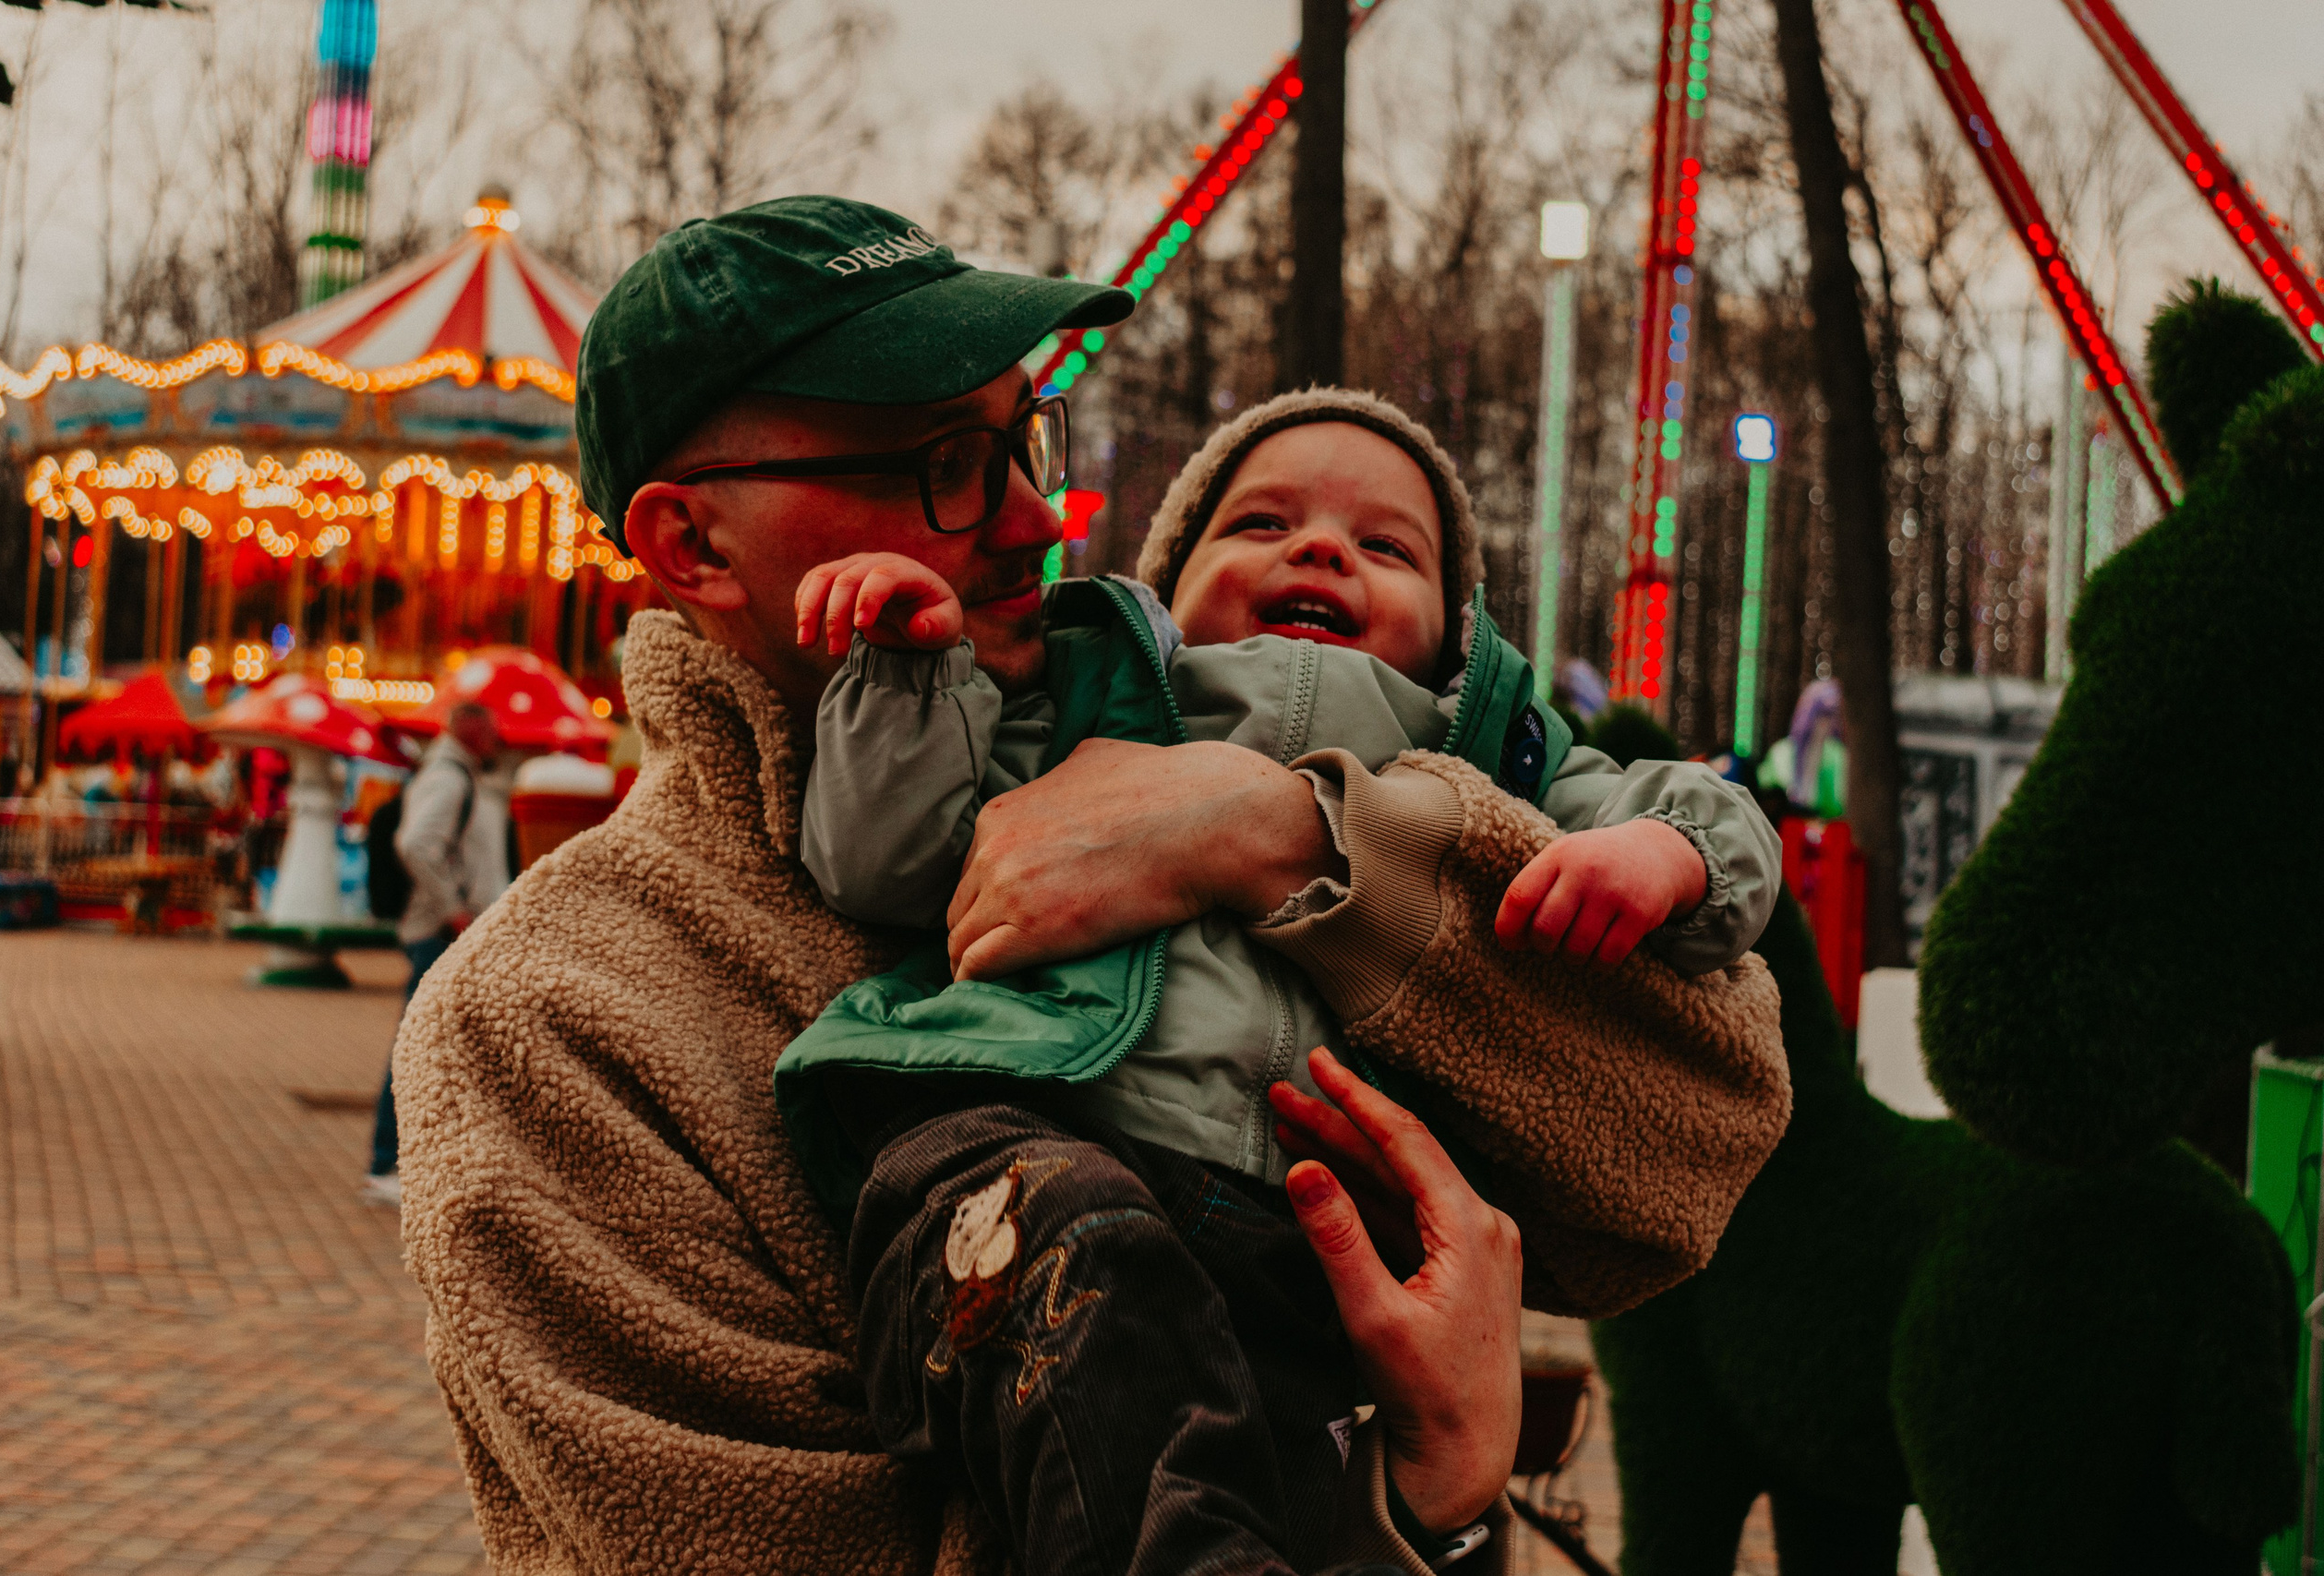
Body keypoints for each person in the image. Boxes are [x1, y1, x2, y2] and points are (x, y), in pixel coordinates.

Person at [392, 197, 1788, 1575]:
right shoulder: (552, 1021)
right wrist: (1412, 1501)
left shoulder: (1181, 751)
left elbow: (1699, 1138)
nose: (1028, 518)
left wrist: (1285, 837)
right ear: (692, 543)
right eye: (938, 460)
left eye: (1017, 442)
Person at [779, 387, 1782, 1575]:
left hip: (1292, 1243)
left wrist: (1663, 855)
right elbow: (878, 864)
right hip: (1027, 1148)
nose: (1319, 550)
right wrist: (909, 675)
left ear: (1455, 633)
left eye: (1384, 547)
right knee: (1084, 1299)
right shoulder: (1087, 691)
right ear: (1168, 584)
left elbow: (1708, 814)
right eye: (1260, 525)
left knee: (1264, 1471)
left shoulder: (1490, 749)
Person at [364, 701, 508, 1209]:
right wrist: (452, 908)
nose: (497, 739)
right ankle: (387, 1161)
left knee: (432, 1045)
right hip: (441, 933)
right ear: (472, 730)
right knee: (419, 1045)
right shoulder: (451, 777)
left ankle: (406, 1159)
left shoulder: (455, 774)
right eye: (490, 730)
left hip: (446, 931)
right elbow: (417, 843)